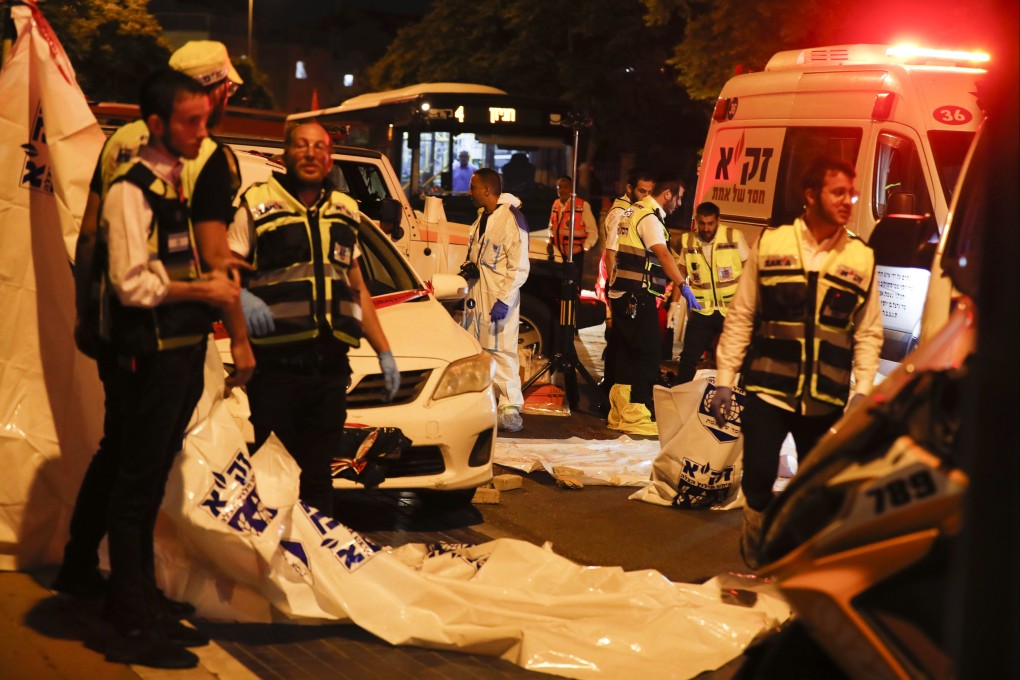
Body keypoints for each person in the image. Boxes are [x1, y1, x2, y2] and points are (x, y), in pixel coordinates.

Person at [55, 40, 253, 615]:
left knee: (117, 450)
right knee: (143, 468)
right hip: (168, 332)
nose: (226, 101)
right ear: (212, 89)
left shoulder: (119, 141)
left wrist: (86, 314)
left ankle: (83, 566)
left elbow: (91, 233)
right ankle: (132, 602)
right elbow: (216, 256)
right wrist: (238, 334)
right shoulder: (209, 153)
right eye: (227, 90)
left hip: (121, 329)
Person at [93, 69, 240, 668]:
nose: (202, 131)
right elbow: (132, 284)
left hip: (178, 355)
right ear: (156, 125)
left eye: (205, 120)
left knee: (152, 483)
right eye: (190, 121)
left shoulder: (177, 185)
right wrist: (200, 291)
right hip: (148, 356)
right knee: (135, 487)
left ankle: (140, 604)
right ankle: (129, 622)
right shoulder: (132, 189)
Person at [709, 156, 883, 569]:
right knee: (759, 477)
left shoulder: (861, 257)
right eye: (837, 192)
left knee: (818, 489)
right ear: (811, 195)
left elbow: (868, 331)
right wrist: (723, 378)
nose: (848, 200)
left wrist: (862, 391)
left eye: (850, 193)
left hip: (826, 396)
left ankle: (802, 563)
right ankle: (755, 546)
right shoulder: (773, 245)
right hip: (769, 388)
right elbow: (742, 315)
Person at [228, 122, 400, 513]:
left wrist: (384, 352)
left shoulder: (345, 210)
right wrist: (241, 297)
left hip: (329, 367)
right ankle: (272, 560)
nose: (310, 153)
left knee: (318, 475)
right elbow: (226, 270)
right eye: (301, 146)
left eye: (319, 147)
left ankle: (313, 563)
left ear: (329, 158)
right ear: (286, 154)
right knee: (274, 470)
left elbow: (357, 290)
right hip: (275, 367)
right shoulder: (256, 203)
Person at [606, 175, 686, 435]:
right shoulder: (649, 217)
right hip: (637, 294)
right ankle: (637, 411)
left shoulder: (631, 211)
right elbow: (661, 253)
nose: (680, 203)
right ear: (667, 194)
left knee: (626, 350)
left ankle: (619, 410)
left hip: (622, 292)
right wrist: (682, 285)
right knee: (648, 353)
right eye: (679, 197)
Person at [460, 168, 530, 432]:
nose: (470, 192)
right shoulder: (482, 218)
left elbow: (519, 267)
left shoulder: (512, 219)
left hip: (499, 299)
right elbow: (479, 255)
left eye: (473, 187)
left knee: (502, 353)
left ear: (487, 190)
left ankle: (511, 409)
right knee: (479, 352)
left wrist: (505, 299)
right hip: (478, 297)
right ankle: (484, 405)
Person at [669, 201, 749, 383]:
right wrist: (674, 302)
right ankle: (679, 398)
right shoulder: (688, 240)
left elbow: (749, 271)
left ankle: (738, 397)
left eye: (710, 223)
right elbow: (681, 273)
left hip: (730, 311)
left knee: (736, 359)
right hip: (702, 311)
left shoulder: (733, 237)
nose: (706, 228)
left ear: (718, 221)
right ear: (696, 221)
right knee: (688, 358)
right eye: (702, 223)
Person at [598, 168, 654, 394]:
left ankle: (611, 394)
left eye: (650, 192)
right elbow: (611, 253)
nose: (646, 196)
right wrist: (616, 287)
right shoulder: (621, 213)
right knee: (621, 345)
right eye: (642, 190)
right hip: (622, 288)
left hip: (624, 287)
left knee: (619, 344)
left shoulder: (634, 210)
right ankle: (613, 395)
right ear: (629, 188)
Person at [548, 175, 598, 285]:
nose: (562, 190)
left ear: (571, 188)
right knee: (558, 283)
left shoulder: (582, 205)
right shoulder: (556, 204)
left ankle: (575, 302)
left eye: (565, 186)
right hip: (558, 253)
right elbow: (551, 226)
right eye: (559, 187)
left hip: (575, 254)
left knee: (573, 284)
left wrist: (584, 248)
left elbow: (593, 232)